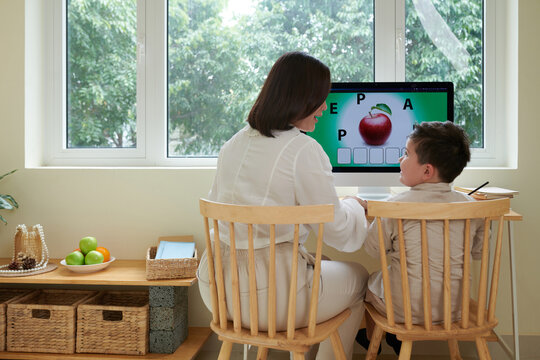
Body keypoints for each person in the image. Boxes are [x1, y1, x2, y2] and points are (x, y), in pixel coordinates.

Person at [197, 51, 369, 359]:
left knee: (319, 262)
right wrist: (356, 206)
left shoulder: (233, 144)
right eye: (320, 98)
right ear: (301, 98)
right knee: (358, 277)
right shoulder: (302, 149)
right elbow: (338, 232)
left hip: (220, 292)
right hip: (271, 299)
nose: (324, 107)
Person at [356, 121, 485, 354]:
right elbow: (478, 252)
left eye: (406, 154)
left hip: (403, 311)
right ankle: (394, 337)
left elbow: (372, 250)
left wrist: (371, 219)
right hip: (455, 311)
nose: (400, 159)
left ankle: (374, 335)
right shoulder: (473, 207)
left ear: (426, 171)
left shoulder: (394, 206)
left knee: (369, 281)